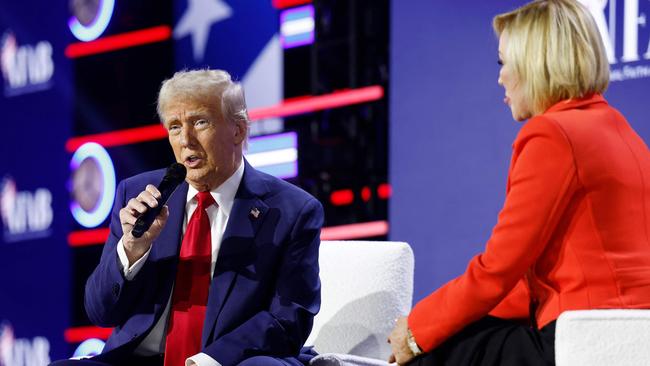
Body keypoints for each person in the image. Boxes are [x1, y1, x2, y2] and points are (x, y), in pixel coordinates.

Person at [388, 1, 650, 365]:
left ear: (536, 63)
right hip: (631, 331)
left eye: (504, 62)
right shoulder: (619, 128)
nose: (500, 77)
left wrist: (417, 332)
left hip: (578, 335)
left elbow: (498, 269)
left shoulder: (552, 134)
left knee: (435, 353)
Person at [52, 69, 324, 366]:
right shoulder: (139, 195)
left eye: (200, 122)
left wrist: (209, 361)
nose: (186, 140)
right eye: (174, 127)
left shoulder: (292, 210)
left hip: (229, 361)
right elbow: (100, 312)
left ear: (238, 130)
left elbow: (288, 320)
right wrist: (131, 250)